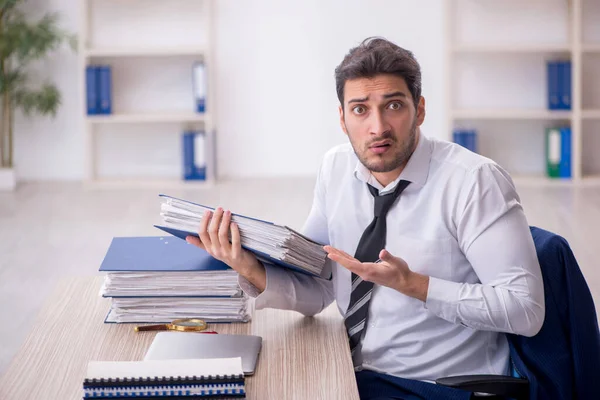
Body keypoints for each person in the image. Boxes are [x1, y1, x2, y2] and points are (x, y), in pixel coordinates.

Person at [186, 37, 545, 399]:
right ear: (342, 118)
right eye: (360, 109)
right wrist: (248, 266)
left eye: (393, 105)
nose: (378, 127)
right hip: (354, 370)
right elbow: (320, 288)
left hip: (440, 385)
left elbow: (526, 311)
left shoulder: (474, 181)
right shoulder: (336, 167)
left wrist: (416, 285)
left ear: (419, 110)